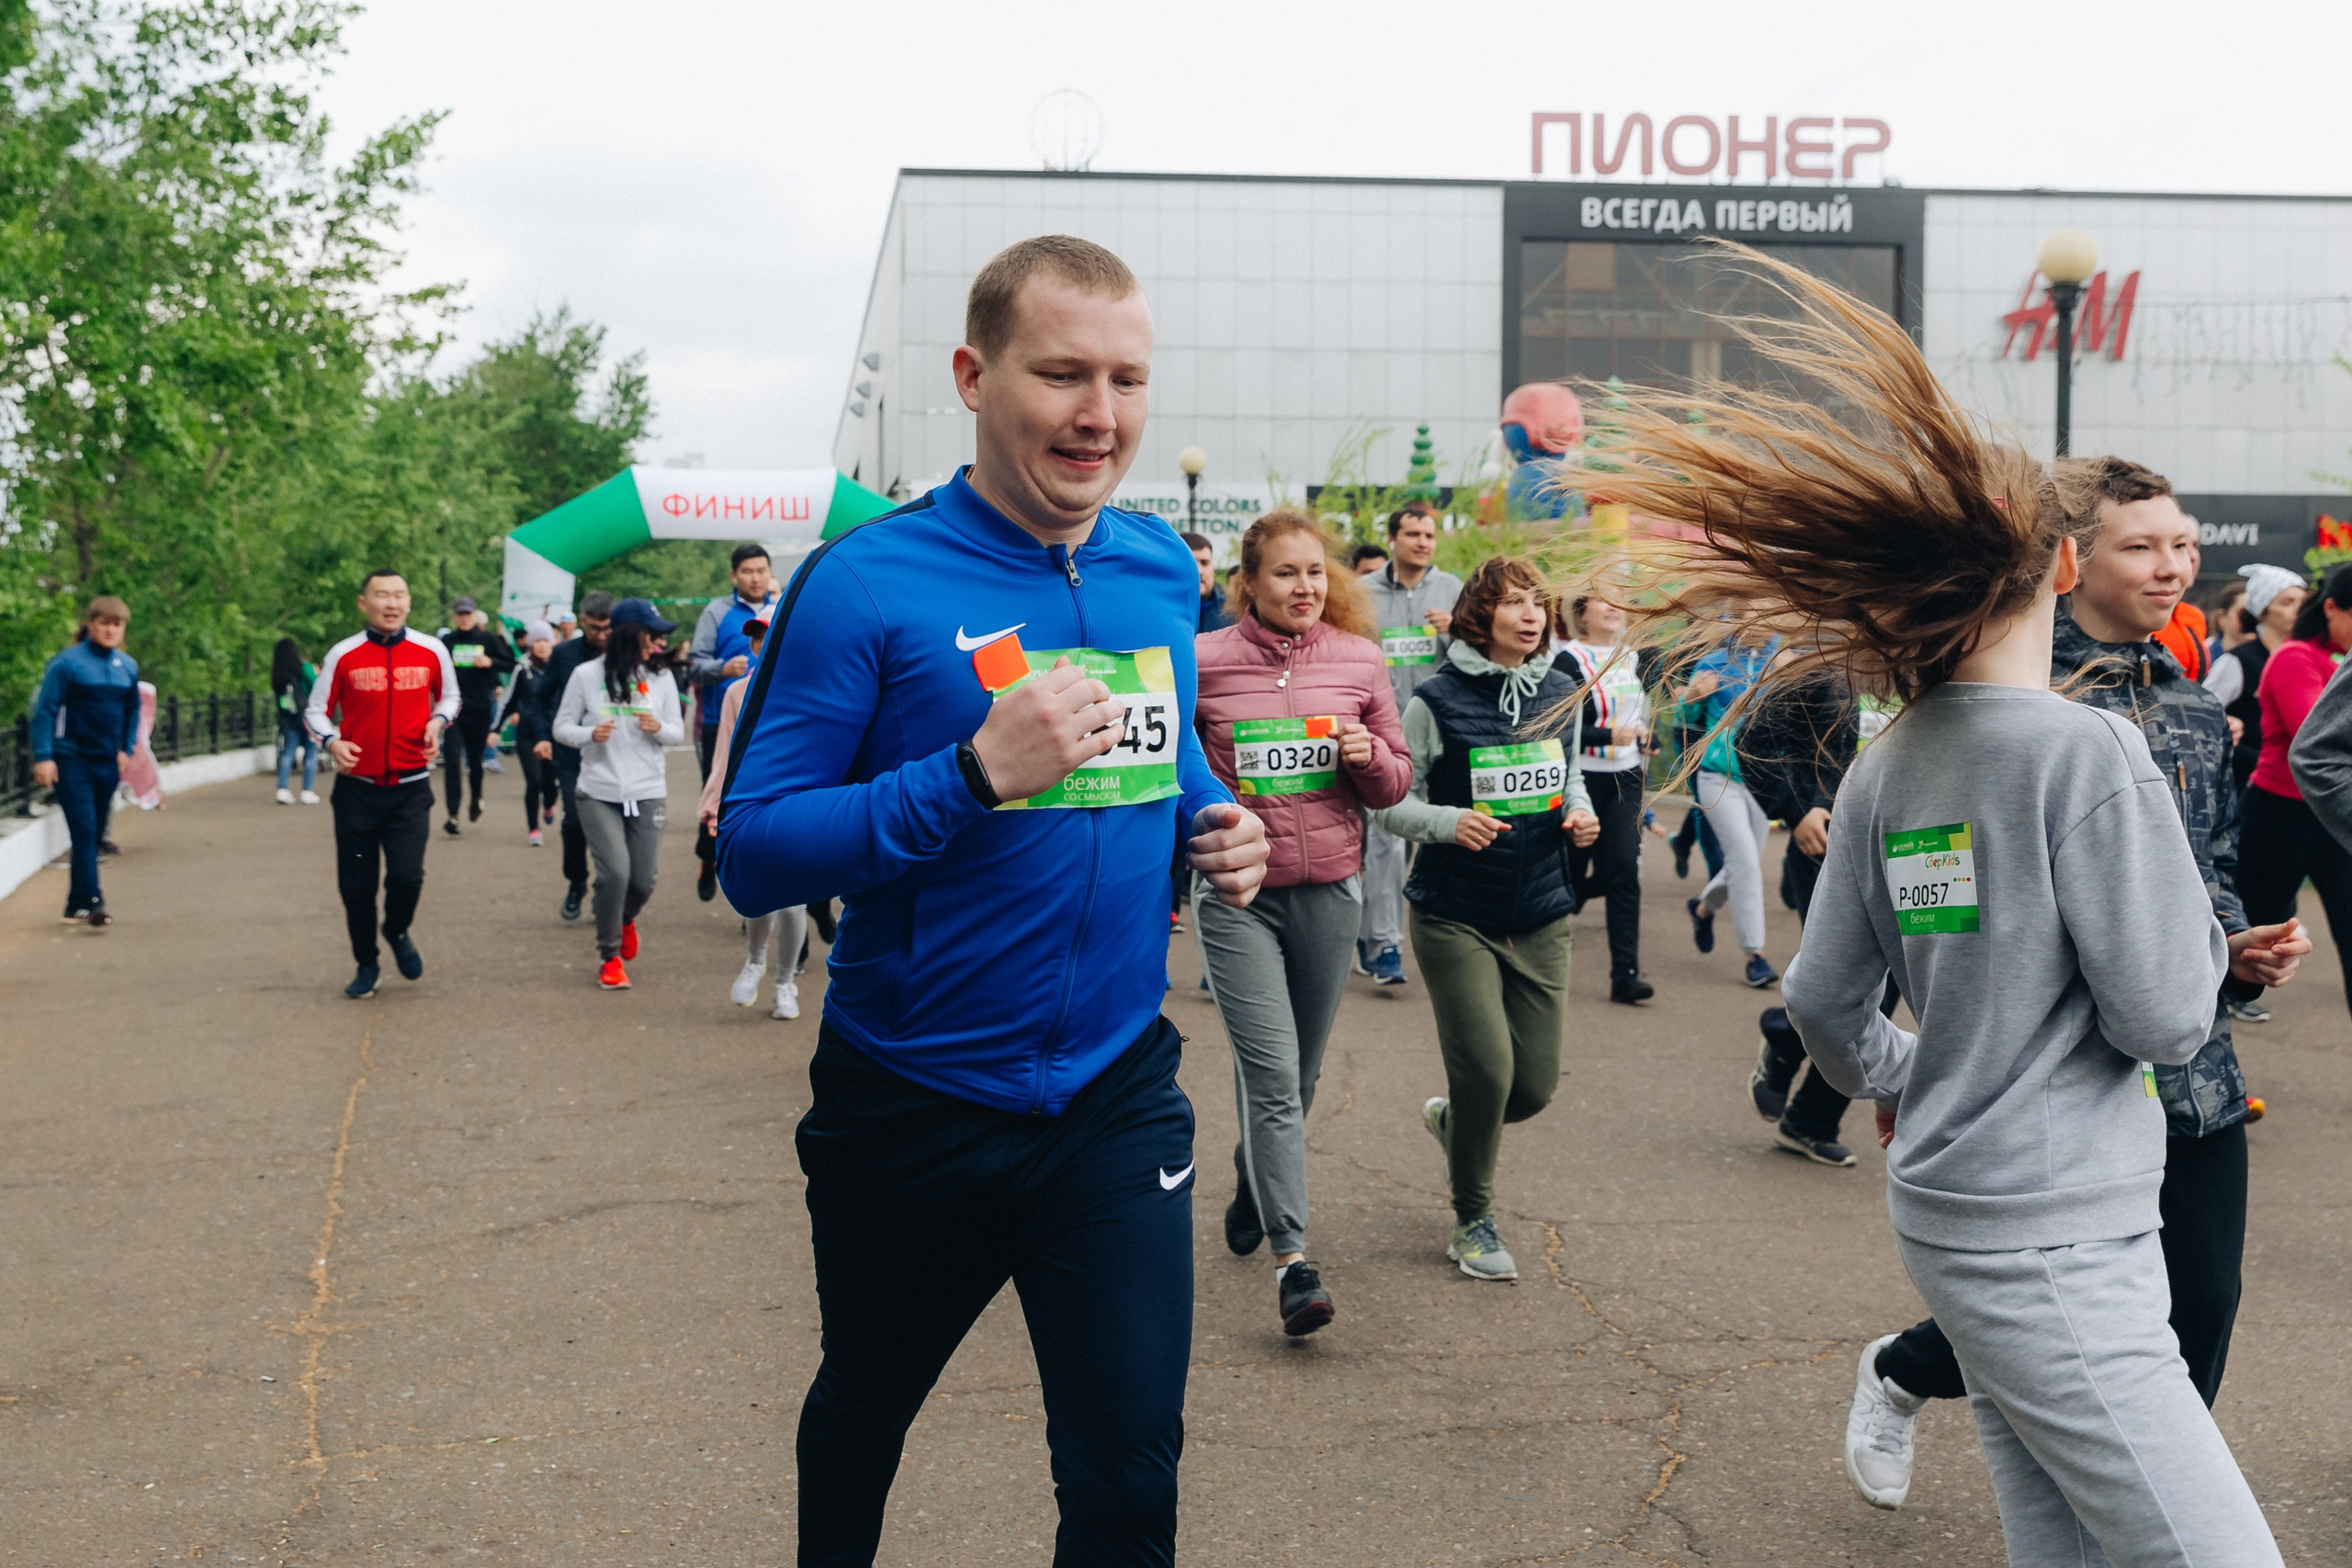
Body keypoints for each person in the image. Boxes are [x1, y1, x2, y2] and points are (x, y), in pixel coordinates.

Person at [1582, 246, 2286, 1567]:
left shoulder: (1895, 755)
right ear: (2062, 561)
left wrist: (1926, 1066)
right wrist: (2200, 930)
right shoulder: (2083, 750)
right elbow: (2166, 1014)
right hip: (2064, 1224)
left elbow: (1823, 1005)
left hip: (1960, 1208)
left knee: (2066, 1544)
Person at [715, 233, 1268, 1566]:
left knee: (1129, 1477)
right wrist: (968, 774)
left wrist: (1211, 813)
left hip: (1110, 1094)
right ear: (974, 374)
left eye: (1128, 379)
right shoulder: (863, 583)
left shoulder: (1152, 568)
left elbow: (1159, 742)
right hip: (911, 1098)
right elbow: (755, 849)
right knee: (865, 1408)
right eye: (1063, 373)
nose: (1102, 414)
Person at [1843, 457, 2310, 1509]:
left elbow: (2208, 874)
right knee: (2047, 1321)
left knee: (2197, 1312)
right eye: (2141, 545)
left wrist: (2230, 946)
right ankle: (1903, 1371)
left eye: (2184, 543)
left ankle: (2131, 1511)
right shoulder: (1987, 698)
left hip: (2187, 1073)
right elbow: (1919, 899)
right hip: (2040, 1101)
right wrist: (1905, 1064)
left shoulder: (2189, 707)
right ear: (2064, 558)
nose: (2175, 565)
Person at [1193, 508, 1410, 1336]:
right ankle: (1294, 1260)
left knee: (1303, 1077)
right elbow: (1184, 774)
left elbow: (1395, 784)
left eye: (1315, 572)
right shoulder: (1205, 660)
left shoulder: (1359, 659)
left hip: (1331, 891)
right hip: (1238, 898)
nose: (1306, 587)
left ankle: (1255, 1178)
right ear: (1249, 582)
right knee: (1275, 1074)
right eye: (1286, 574)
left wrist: (1367, 757)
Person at [1371, 556, 1600, 1280]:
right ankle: (1472, 1217)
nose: (1531, 614)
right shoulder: (1433, 700)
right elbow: (1390, 804)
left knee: (1530, 1088)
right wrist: (1448, 822)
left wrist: (1581, 812)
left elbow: (1570, 775)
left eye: (1538, 602)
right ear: (1479, 613)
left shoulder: (1564, 687)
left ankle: (1453, 1122)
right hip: (1455, 915)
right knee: (1489, 1072)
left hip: (1539, 910)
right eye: (1513, 602)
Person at [1736, 669, 1868, 1167]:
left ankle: (1809, 1116)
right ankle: (1788, 1035)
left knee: (1884, 993)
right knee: (1843, 985)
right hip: (1827, 844)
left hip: (1916, 847)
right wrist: (1797, 810)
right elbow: (1752, 742)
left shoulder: (1954, 654)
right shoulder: (1826, 655)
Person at [306, 571, 458, 998]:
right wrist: (332, 741)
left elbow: (451, 697)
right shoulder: (344, 654)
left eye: (398, 595)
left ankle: (396, 929)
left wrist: (438, 721)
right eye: (381, 595)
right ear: (363, 603)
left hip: (410, 788)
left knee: (407, 878)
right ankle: (366, 963)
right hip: (358, 791)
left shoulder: (431, 650)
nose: (390, 603)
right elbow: (316, 710)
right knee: (357, 886)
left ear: (409, 602)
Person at [2234, 563, 2352, 1020]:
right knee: (2258, 918)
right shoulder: (2294, 657)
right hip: (2279, 811)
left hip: (2330, 813)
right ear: (2331, 610)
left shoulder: (2332, 660)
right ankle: (2229, 996)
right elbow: (2313, 738)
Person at [552, 597, 684, 990]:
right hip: (598, 791)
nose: (657, 644)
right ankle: (609, 955)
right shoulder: (585, 675)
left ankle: (624, 919)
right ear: (630, 635)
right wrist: (589, 735)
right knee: (615, 874)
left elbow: (676, 732)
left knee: (643, 881)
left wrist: (656, 727)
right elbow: (561, 727)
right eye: (651, 635)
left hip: (647, 790)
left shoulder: (661, 678)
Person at [1356, 500, 1463, 987]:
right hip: (1380, 730)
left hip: (1437, 733)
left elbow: (1474, 656)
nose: (1423, 542)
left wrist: (1455, 632)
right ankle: (1386, 946)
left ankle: (1372, 931)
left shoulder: (1452, 591)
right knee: (1385, 838)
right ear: (1394, 539)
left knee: (1424, 838)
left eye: (1429, 535)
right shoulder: (1361, 594)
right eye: (1414, 534)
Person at [697, 616, 808, 1018]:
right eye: (757, 638)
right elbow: (724, 753)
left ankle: (785, 984)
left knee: (794, 902)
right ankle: (755, 961)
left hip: (796, 801)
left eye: (769, 635)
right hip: (749, 803)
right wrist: (713, 805)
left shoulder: (808, 688)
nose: (762, 643)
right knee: (758, 894)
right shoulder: (737, 693)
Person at [1555, 594, 1653, 1003]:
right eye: (1602, 600)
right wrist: (1605, 736)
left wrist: (1649, 738)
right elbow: (1559, 724)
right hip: (1580, 780)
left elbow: (1640, 713)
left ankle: (1624, 975)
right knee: (1572, 878)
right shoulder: (1567, 661)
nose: (1615, 607)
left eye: (1619, 600)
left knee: (1625, 872)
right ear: (1581, 614)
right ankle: (1543, 957)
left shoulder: (1634, 657)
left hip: (1626, 778)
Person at [1676, 620, 1781, 988]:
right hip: (1717, 776)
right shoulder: (1713, 662)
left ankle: (1703, 907)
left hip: (1764, 782)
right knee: (1747, 863)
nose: (1761, 621)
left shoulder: (1785, 661)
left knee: (1743, 861)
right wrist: (1692, 697)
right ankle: (1755, 955)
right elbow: (1685, 720)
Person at [30, 596, 140, 925]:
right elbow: (45, 711)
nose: (110, 630)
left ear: (122, 629)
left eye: (116, 624)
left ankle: (75, 904)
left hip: (106, 760)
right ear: (91, 624)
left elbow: (133, 710)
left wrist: (127, 748)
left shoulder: (127, 667)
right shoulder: (67, 664)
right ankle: (94, 901)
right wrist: (44, 756)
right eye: (104, 623)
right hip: (70, 758)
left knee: (91, 833)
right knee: (85, 827)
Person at [688, 545, 781, 899]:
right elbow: (695, 664)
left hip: (770, 721)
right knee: (717, 789)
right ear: (734, 576)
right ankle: (709, 858)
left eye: (761, 570)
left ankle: (750, 875)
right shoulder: (717, 613)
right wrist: (722, 669)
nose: (755, 578)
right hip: (720, 717)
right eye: (747, 571)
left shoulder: (786, 607)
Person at [524, 592, 614, 919]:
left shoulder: (623, 653)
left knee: (614, 827)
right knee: (575, 823)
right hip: (572, 752)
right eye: (593, 628)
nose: (601, 636)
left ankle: (611, 890)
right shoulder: (564, 655)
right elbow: (539, 698)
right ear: (581, 621)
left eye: (607, 628)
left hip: (614, 754)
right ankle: (577, 882)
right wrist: (542, 736)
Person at [2205, 562, 2306, 787]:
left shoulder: (2304, 658)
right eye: (2287, 602)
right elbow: (2202, 713)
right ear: (2262, 611)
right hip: (2242, 785)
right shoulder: (2238, 661)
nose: (2298, 609)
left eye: (2303, 601)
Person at [437, 596, 514, 835]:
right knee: (451, 761)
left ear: (474, 616)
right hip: (453, 711)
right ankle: (452, 815)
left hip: (479, 709)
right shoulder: (446, 642)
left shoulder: (488, 640)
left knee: (475, 761)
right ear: (454, 617)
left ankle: (476, 796)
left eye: (467, 614)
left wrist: (490, 661)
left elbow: (510, 664)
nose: (463, 618)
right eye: (459, 614)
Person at [507, 622, 562, 846]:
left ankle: (549, 804)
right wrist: (494, 730)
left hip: (553, 734)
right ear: (530, 644)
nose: (541, 645)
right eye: (537, 641)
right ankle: (533, 829)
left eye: (546, 641)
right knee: (534, 781)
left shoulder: (559, 669)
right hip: (527, 734)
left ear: (552, 643)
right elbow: (508, 701)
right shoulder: (522, 669)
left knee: (551, 783)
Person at [270, 637, 320, 805]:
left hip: (289, 717)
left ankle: (282, 789)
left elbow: (279, 700)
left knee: (288, 752)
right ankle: (307, 791)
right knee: (311, 751)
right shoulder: (304, 668)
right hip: (308, 716)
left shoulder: (278, 675)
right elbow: (317, 687)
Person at [1182, 529, 1233, 632]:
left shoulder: (1231, 614)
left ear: (1213, 568)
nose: (1199, 571)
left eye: (1204, 563)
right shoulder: (1161, 611)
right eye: (1192, 563)